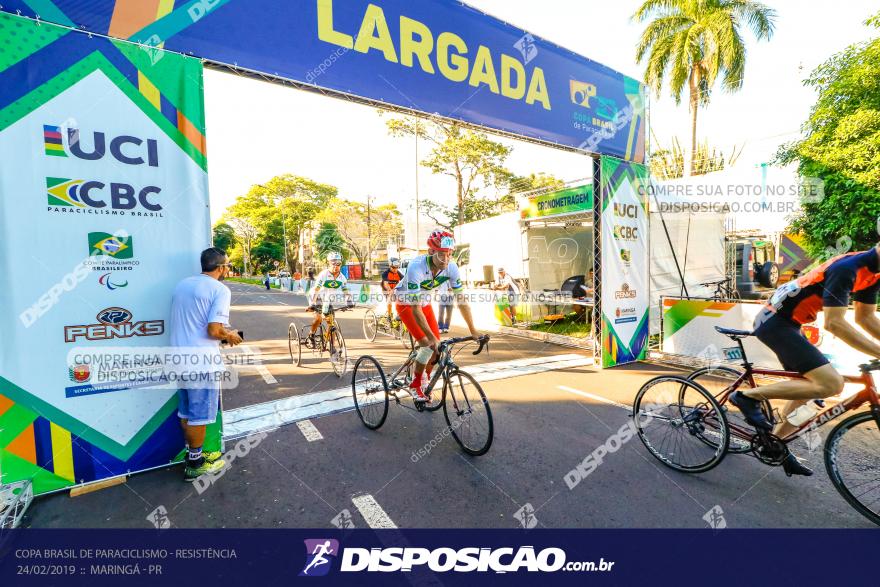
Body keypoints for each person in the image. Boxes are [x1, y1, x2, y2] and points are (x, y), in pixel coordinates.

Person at [730, 244, 880, 477]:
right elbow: (834, 323)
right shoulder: (848, 268)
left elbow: (866, 317)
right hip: (775, 323)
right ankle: (746, 397)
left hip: (790, 323)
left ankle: (775, 445)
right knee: (832, 384)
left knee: (810, 393)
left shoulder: (874, 273)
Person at [169, 247, 242, 482]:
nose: (227, 270)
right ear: (221, 267)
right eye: (227, 266)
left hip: (180, 358)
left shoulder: (182, 285)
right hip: (201, 362)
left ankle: (194, 455)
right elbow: (213, 330)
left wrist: (222, 334)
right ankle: (195, 463)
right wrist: (230, 336)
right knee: (199, 415)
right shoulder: (220, 289)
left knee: (186, 411)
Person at [395, 230, 481, 402]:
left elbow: (461, 300)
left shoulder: (451, 267)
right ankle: (415, 384)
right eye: (442, 254)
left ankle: (423, 379)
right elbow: (414, 308)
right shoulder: (416, 266)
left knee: (437, 348)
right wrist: (430, 337)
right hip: (407, 304)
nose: (446, 259)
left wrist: (474, 331)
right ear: (431, 252)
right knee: (428, 343)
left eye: (449, 254)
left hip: (424, 304)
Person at [308, 252, 353, 347]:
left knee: (331, 322)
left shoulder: (342, 278)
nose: (335, 266)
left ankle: (332, 347)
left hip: (327, 299)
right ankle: (311, 334)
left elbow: (345, 291)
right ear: (329, 263)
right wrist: (312, 304)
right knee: (318, 318)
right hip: (317, 296)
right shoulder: (323, 274)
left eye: (338, 264)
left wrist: (349, 301)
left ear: (341, 264)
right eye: (333, 263)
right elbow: (316, 289)